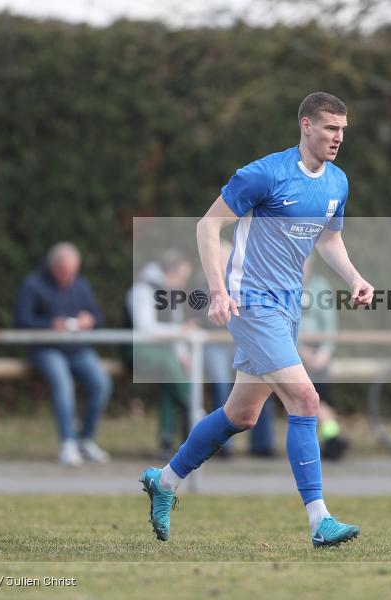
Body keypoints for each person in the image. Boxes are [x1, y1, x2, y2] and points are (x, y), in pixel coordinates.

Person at [140, 92, 374, 547]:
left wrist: (354, 278)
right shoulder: (264, 174)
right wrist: (218, 290)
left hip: (288, 309)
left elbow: (329, 240)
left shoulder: (337, 182)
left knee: (242, 415)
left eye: (343, 130)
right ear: (306, 125)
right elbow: (208, 226)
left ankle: (164, 481)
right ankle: (319, 521)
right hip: (250, 304)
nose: (338, 138)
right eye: (330, 128)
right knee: (305, 399)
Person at [14, 242, 112, 466]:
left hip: (77, 348)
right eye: (64, 272)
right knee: (62, 382)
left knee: (101, 383)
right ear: (53, 267)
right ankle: (67, 441)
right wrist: (49, 324)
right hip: (46, 348)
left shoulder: (81, 285)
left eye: (72, 272)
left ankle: (85, 439)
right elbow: (21, 320)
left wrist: (90, 320)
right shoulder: (33, 285)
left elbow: (98, 317)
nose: (68, 278)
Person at [196, 239, 275, 458]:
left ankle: (263, 445)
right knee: (222, 386)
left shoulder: (247, 283)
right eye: (222, 257)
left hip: (242, 344)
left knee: (262, 387)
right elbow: (203, 319)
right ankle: (221, 446)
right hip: (214, 346)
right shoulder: (203, 286)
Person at [126, 249, 194, 460]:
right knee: (169, 368)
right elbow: (145, 328)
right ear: (170, 273)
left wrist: (183, 354)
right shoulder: (142, 289)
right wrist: (180, 332)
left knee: (170, 377)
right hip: (137, 350)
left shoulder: (172, 294)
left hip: (165, 354)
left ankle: (168, 441)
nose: (183, 283)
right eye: (182, 277)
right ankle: (191, 410)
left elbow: (175, 331)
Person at [299, 256, 349, 460]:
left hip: (318, 352)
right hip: (292, 351)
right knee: (305, 401)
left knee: (319, 399)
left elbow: (330, 323)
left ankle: (330, 438)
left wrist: (324, 352)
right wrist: (299, 349)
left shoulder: (320, 286)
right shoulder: (283, 287)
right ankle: (330, 438)